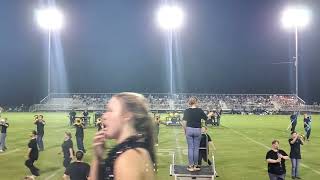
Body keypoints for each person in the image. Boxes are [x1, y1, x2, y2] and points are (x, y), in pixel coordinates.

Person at [89, 92, 156, 180]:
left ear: (127, 116)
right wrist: (97, 157)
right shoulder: (133, 151)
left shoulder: (128, 158)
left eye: (110, 110)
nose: (104, 116)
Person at [182, 97, 213, 171]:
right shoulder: (199, 110)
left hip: (189, 129)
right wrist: (210, 114)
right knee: (196, 149)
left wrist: (185, 131)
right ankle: (195, 166)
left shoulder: (186, 111)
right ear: (196, 102)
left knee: (190, 148)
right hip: (197, 130)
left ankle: (190, 166)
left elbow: (184, 123)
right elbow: (206, 118)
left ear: (189, 102)